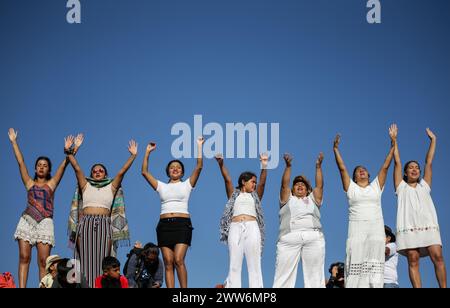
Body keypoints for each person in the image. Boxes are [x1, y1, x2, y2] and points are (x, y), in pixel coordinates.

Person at [8, 128, 83, 288]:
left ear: (48, 170)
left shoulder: (52, 184)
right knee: (24, 257)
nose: (42, 167)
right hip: (27, 220)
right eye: (39, 165)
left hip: (45, 222)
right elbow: (21, 162)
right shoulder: (29, 183)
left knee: (43, 261)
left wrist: (74, 148)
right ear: (35, 169)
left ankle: (43, 286)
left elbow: (65, 165)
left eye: (45, 165)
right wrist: (14, 142)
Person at [67, 137, 136, 287]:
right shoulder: (85, 185)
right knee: (83, 261)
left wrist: (133, 156)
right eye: (95, 171)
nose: (98, 172)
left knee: (104, 261)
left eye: (101, 170)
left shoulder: (111, 186)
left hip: (105, 224)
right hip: (86, 224)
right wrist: (69, 151)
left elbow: (122, 171)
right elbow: (77, 168)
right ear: (92, 174)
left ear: (105, 174)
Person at [333, 126, 396, 288]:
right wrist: (335, 149)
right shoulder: (351, 189)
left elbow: (385, 167)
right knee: (355, 270)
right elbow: (342, 168)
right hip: (357, 232)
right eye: (358, 171)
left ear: (369, 175)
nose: (361, 171)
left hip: (375, 232)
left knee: (374, 273)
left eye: (364, 170)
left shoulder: (376, 186)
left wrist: (393, 143)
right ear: (354, 177)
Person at [141, 137, 204, 288]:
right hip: (164, 226)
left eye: (178, 167)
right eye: (172, 167)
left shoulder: (187, 184)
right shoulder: (161, 186)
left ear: (182, 172)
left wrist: (199, 146)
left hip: (182, 224)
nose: (175, 168)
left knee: (178, 260)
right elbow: (144, 172)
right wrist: (147, 152)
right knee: (168, 262)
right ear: (168, 172)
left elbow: (199, 167)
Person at [393, 126, 446, 288]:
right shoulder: (400, 187)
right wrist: (394, 141)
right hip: (408, 226)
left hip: (428, 225)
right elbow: (397, 161)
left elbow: (428, 162)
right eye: (411, 167)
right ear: (406, 173)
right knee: (413, 259)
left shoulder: (425, 185)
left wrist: (433, 141)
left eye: (417, 167)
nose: (415, 169)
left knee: (437, 256)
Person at [216, 153, 269, 288]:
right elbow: (227, 179)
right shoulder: (233, 195)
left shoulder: (255, 197)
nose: (255, 184)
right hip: (235, 227)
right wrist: (221, 164)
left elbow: (263, 182)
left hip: (252, 227)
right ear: (243, 182)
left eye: (255, 182)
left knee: (254, 264)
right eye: (252, 181)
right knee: (234, 263)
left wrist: (264, 164)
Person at [273, 153, 326, 288]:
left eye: (303, 184)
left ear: (308, 189)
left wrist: (318, 167)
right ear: (293, 189)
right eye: (297, 184)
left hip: (313, 236)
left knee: (315, 277)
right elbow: (284, 185)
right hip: (289, 238)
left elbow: (319, 186)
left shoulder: (313, 199)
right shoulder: (288, 198)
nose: (300, 186)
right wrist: (288, 167)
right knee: (283, 277)